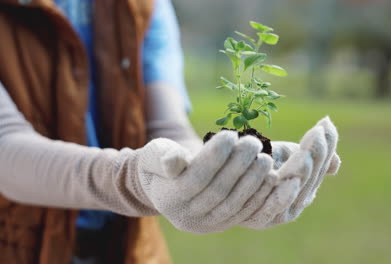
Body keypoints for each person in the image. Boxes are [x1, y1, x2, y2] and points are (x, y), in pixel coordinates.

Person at [0, 0, 341, 263]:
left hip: (128, 248)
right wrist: (134, 180)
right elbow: (6, 147)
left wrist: (211, 176)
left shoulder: (144, 4)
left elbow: (167, 127)